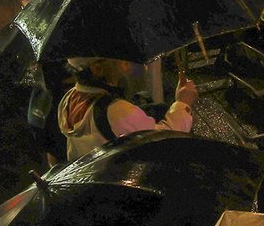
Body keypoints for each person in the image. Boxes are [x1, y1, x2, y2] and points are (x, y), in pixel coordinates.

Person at [57, 57, 195, 162]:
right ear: (97, 69)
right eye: (117, 54)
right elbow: (164, 140)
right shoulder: (116, 111)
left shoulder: (69, 98)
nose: (126, 58)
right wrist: (183, 102)